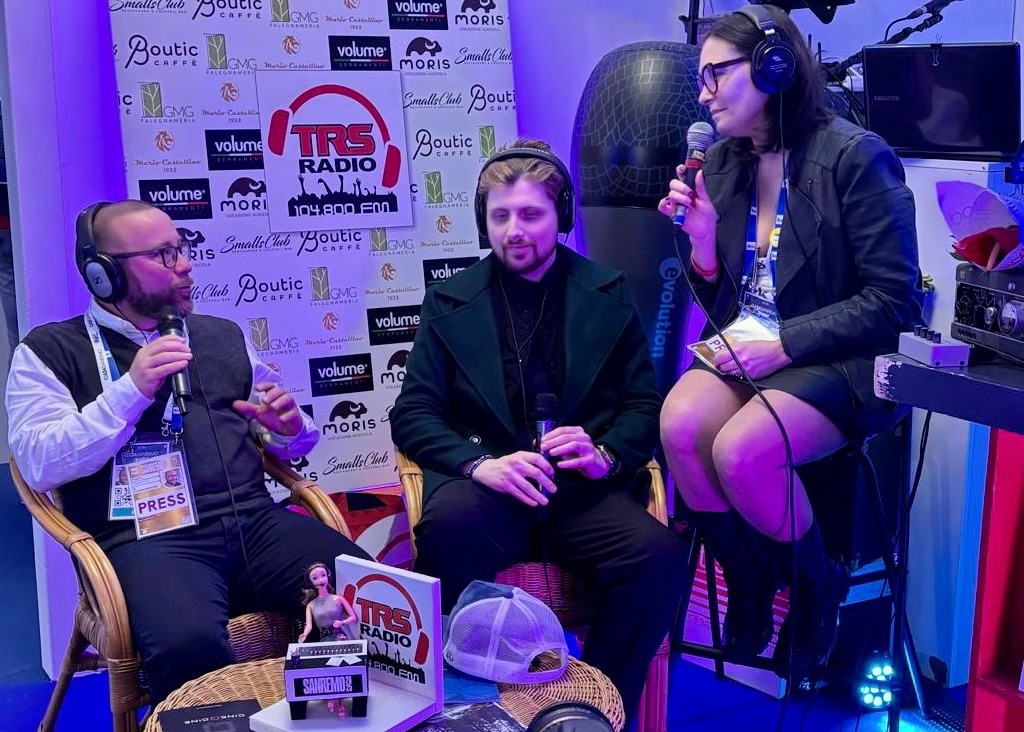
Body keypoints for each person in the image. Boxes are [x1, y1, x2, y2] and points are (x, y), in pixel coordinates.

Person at [5, 199, 370, 707]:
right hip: (147, 540)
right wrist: (131, 390)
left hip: (254, 523)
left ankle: (338, 716)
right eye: (164, 254)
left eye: (181, 248)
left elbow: (292, 440)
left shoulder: (221, 336)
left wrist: (288, 430)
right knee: (186, 642)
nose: (185, 264)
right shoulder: (48, 351)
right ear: (104, 273)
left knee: (369, 590)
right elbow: (39, 463)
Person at [656, 4, 923, 679]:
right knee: (679, 426)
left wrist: (785, 343)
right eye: (700, 78)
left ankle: (814, 588)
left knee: (742, 452)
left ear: (773, 67)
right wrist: (703, 246)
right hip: (752, 343)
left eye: (716, 74)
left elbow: (894, 302)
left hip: (842, 355)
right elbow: (724, 302)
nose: (704, 94)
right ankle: (747, 582)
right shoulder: (724, 163)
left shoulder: (855, 157)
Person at [390, 139, 685, 722]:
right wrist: (480, 465)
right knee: (448, 529)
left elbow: (642, 405)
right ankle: (468, 716)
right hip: (486, 491)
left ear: (562, 215)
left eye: (530, 214)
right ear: (483, 221)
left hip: (579, 494)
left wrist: (606, 454)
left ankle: (594, 711)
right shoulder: (448, 301)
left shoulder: (608, 290)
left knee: (658, 556)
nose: (514, 231)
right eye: (499, 216)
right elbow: (413, 413)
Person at [297, 562, 358, 643]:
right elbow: (309, 625)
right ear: (310, 582)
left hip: (342, 636)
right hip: (325, 639)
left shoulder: (338, 598)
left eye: (323, 575)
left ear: (328, 576)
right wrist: (304, 634)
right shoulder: (311, 605)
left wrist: (343, 622)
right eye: (315, 578)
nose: (320, 580)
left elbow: (353, 617)